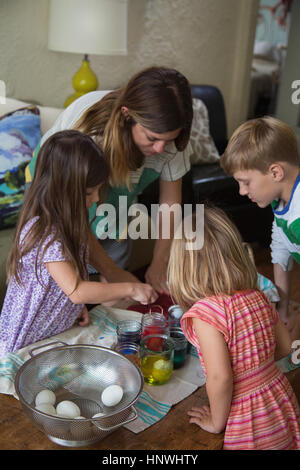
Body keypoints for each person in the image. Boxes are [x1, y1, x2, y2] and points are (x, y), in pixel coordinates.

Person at [25, 66, 194, 295]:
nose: (161, 148)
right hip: (61, 200)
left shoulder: (172, 138)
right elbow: (75, 213)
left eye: (168, 140)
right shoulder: (89, 130)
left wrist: (159, 263)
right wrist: (113, 273)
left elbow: (170, 203)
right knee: (65, 289)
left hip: (114, 203)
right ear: (127, 115)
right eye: (152, 138)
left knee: (112, 294)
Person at [0, 130, 157, 357]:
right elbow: (76, 290)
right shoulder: (45, 230)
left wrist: (71, 308)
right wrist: (131, 288)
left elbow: (63, 285)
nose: (95, 199)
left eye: (97, 190)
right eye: (88, 193)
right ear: (61, 190)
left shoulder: (69, 220)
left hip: (52, 335)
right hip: (23, 345)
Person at [167, 206, 300, 450]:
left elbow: (220, 377)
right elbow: (283, 348)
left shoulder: (206, 314)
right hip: (280, 400)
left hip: (248, 419)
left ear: (182, 267)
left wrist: (217, 421)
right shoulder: (258, 296)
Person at [220, 116, 300, 340]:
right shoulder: (282, 199)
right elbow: (281, 248)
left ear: (275, 173)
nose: (242, 192)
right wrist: (283, 309)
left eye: (246, 182)